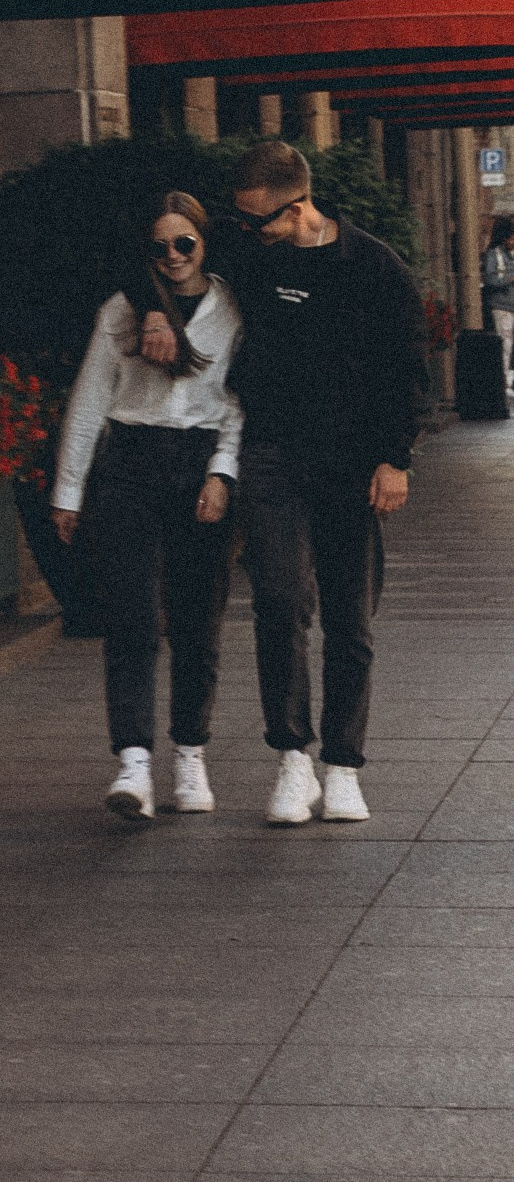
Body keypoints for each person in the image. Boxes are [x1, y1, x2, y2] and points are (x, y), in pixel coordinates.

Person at [143, 136, 427, 825]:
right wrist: (151, 305)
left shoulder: (373, 266)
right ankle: (293, 758)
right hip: (272, 456)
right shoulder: (251, 253)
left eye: (258, 218)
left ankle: (344, 766)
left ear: (297, 207)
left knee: (350, 618)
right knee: (278, 601)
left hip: (352, 464)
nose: (246, 230)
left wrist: (395, 457)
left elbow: (406, 368)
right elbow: (165, 256)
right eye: (241, 219)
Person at [54, 193, 241, 824]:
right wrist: (69, 491)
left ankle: (190, 753)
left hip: (200, 465)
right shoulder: (122, 310)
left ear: (204, 243)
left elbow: (239, 401)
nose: (173, 256)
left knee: (198, 621)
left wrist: (222, 472)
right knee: (131, 619)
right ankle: (133, 760)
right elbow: (89, 400)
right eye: (159, 246)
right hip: (130, 464)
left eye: (184, 243)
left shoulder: (229, 309)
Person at [483, 212, 514, 384]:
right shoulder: (494, 255)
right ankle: (503, 381)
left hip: (511, 305)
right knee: (505, 344)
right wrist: (509, 279)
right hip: (502, 307)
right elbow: (490, 279)